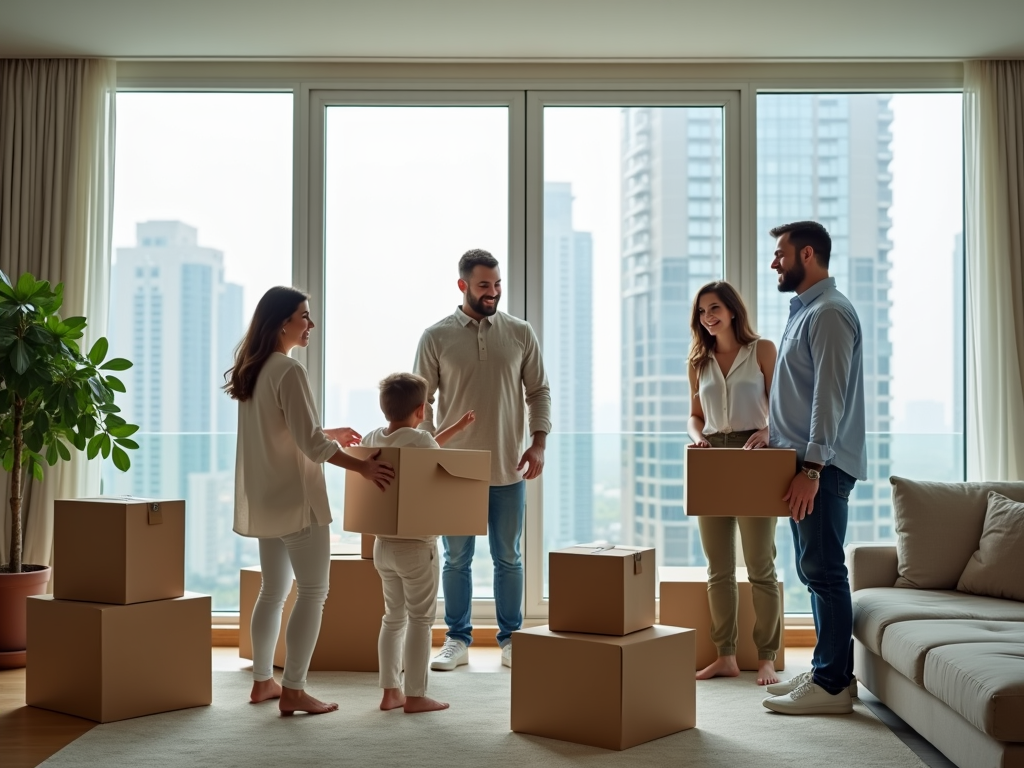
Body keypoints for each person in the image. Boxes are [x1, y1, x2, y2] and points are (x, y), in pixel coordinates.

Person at [226, 286, 395, 716]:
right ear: (283, 322)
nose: (311, 324)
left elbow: (286, 432)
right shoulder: (288, 371)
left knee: (272, 591)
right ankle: (295, 690)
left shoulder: (255, 369)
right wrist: (361, 468)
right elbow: (309, 443)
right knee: (314, 592)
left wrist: (328, 433)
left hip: (266, 500)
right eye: (305, 316)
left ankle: (264, 681)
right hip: (297, 503)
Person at [414, 249, 551, 671]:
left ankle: (512, 640)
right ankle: (457, 639)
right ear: (463, 286)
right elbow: (421, 402)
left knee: (508, 557)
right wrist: (430, 449)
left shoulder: (520, 332)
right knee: (457, 559)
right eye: (483, 286)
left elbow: (539, 391)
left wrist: (538, 441)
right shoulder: (435, 337)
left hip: (509, 466)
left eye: (496, 284)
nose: (492, 292)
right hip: (453, 470)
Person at [759, 222, 867, 716]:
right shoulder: (805, 311)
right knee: (814, 570)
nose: (774, 263)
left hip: (817, 468)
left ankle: (831, 685)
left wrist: (813, 468)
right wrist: (773, 434)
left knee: (824, 571)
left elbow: (830, 397)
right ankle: (830, 673)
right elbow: (800, 394)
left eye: (780, 254)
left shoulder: (828, 313)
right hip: (801, 461)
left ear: (808, 254)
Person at [686, 280, 782, 687]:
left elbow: (782, 406)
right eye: (702, 312)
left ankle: (766, 658)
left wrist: (767, 430)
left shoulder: (762, 350)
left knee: (760, 565)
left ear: (732, 310)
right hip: (710, 456)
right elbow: (694, 415)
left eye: (714, 308)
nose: (708, 317)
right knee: (718, 568)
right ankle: (725, 655)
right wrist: (697, 437)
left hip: (754, 455)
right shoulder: (698, 361)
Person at [362, 372, 475, 714]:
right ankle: (415, 695)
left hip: (383, 546)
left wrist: (453, 428)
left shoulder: (372, 437)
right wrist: (454, 431)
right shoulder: (423, 442)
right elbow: (429, 449)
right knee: (421, 620)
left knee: (392, 618)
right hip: (417, 546)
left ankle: (389, 691)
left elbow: (415, 444)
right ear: (422, 411)